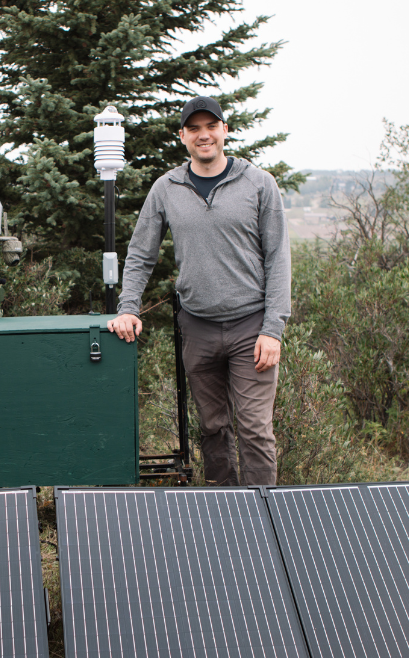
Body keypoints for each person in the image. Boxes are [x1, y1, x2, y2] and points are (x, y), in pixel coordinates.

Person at [108, 96, 291, 486]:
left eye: (211, 126)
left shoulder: (259, 184)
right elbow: (141, 253)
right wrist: (129, 308)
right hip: (197, 327)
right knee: (212, 427)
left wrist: (273, 329)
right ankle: (224, 514)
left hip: (251, 328)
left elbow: (278, 259)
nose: (203, 135)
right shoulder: (166, 188)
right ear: (183, 136)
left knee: (255, 430)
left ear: (225, 130)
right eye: (194, 129)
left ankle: (265, 518)